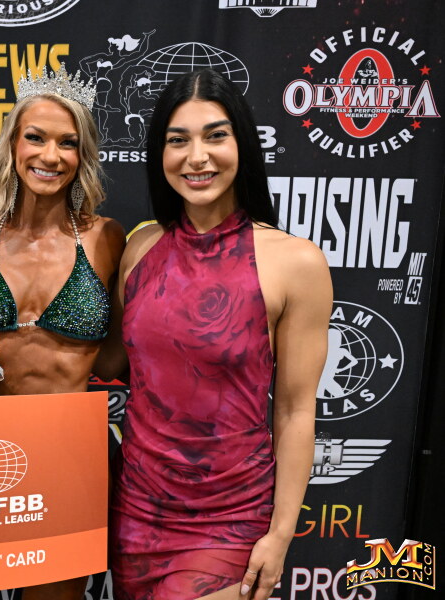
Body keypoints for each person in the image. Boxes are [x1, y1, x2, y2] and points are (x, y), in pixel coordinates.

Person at [96, 69, 332, 600]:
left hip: (230, 518)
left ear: (242, 143)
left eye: (215, 136)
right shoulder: (140, 249)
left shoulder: (295, 263)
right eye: (178, 140)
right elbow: (105, 364)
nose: (196, 157)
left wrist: (280, 534)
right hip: (135, 513)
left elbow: (295, 410)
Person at [0, 64, 126, 600]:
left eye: (68, 143)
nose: (50, 155)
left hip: (68, 453)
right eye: (36, 138)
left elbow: (113, 360)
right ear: (13, 145)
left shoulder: (106, 238)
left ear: (83, 155)